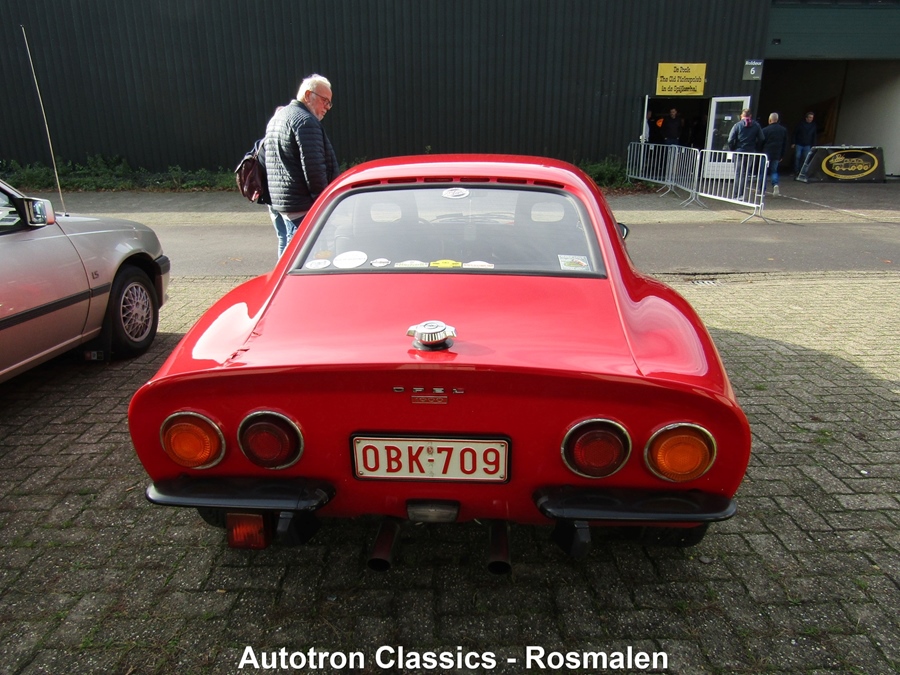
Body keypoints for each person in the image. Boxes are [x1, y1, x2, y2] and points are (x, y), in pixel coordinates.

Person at [264, 74, 340, 256]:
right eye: (324, 101)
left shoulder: (279, 117)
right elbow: (314, 170)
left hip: (283, 201)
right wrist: (324, 204)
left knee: (288, 248)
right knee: (302, 256)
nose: (327, 107)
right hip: (301, 205)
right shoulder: (306, 122)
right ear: (308, 95)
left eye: (329, 103)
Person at [727, 109, 764, 200]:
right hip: (750, 152)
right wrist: (755, 147)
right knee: (745, 174)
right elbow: (762, 138)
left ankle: (736, 194)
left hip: (739, 152)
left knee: (738, 174)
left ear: (741, 116)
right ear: (750, 116)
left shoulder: (737, 125)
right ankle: (741, 194)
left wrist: (733, 148)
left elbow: (730, 139)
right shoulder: (756, 125)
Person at [761, 112, 788, 196]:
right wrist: (782, 155)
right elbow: (785, 144)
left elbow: (761, 142)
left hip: (766, 154)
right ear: (777, 119)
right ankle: (775, 184)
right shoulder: (783, 130)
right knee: (774, 171)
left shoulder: (765, 130)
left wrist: (760, 151)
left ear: (769, 120)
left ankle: (762, 190)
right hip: (777, 154)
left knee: (763, 172)